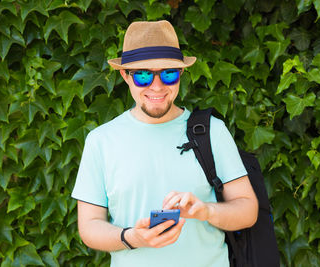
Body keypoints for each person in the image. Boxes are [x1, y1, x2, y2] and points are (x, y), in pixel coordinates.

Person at [71, 20, 258, 267]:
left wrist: (205, 211)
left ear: (181, 74)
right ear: (125, 76)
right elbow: (89, 226)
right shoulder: (100, 140)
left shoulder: (212, 132)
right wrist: (132, 237)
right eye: (143, 75)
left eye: (168, 74)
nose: (157, 86)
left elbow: (248, 211)